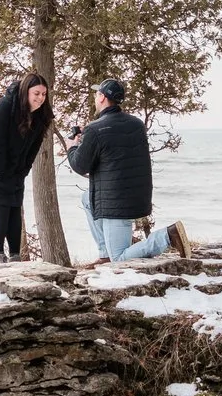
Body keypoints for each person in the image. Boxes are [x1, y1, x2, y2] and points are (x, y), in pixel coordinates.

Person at [64, 77, 194, 262]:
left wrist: (72, 147)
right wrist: (92, 135)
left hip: (115, 205)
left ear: (102, 97)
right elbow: (116, 150)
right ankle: (105, 255)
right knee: (87, 199)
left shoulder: (96, 130)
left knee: (120, 258)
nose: (95, 97)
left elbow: (79, 165)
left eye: (96, 93)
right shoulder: (136, 124)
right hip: (136, 198)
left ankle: (167, 236)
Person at [0, 72, 52, 261]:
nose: (40, 98)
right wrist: (0, 173)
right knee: (3, 202)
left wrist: (24, 170)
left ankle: (15, 255)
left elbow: (34, 147)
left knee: (15, 203)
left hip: (14, 161)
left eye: (43, 94)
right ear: (25, 92)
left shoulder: (41, 115)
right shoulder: (3, 107)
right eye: (36, 93)